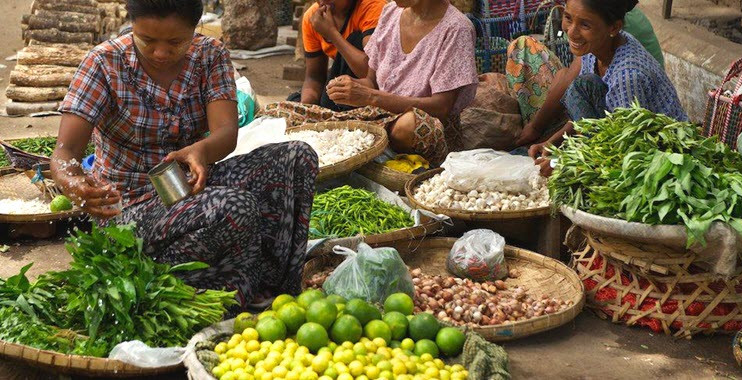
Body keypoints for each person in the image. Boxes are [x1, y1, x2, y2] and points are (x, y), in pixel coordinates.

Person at [50, 0, 318, 309]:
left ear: (195, 28)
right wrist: (73, 182)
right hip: (127, 211)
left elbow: (226, 133)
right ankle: (213, 292)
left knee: (297, 158)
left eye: (176, 42)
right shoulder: (104, 63)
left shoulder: (209, 55)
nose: (161, 53)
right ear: (132, 25)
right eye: (147, 40)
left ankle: (272, 286)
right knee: (234, 207)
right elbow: (66, 151)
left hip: (190, 188)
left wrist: (202, 149)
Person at [265, 0, 479, 165]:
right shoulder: (391, 13)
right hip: (376, 119)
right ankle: (369, 152)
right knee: (277, 113)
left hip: (421, 126)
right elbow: (371, 81)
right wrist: (352, 89)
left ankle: (370, 153)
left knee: (408, 126)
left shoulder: (456, 28)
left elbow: (441, 107)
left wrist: (371, 97)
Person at [510, 0, 686, 175]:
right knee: (582, 87)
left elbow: (628, 151)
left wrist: (561, 161)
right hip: (618, 133)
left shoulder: (627, 76)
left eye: (585, 25)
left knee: (579, 86)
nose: (571, 32)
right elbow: (587, 116)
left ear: (613, 28)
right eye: (568, 18)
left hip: (660, 157)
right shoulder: (596, 48)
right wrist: (552, 142)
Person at [289, 0, 385, 111]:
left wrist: (332, 34)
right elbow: (314, 78)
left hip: (375, 90)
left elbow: (374, 75)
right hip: (341, 84)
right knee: (294, 101)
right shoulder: (313, 17)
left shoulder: (372, 7)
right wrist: (306, 108)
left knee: (355, 39)